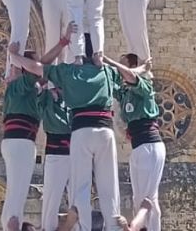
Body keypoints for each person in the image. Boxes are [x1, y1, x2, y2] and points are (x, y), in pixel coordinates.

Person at [10, 43, 149, 231]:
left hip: (80, 135)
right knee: (108, 185)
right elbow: (129, 75)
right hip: (97, 133)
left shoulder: (68, 74)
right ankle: (111, 226)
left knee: (80, 188)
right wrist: (142, 67)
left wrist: (14, 57)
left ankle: (84, 226)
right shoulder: (105, 71)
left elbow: (38, 68)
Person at [111, 53, 165, 231]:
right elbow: (113, 85)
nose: (120, 68)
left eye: (123, 64)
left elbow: (130, 75)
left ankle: (139, 227)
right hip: (139, 146)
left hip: (149, 145)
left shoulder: (144, 86)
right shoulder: (125, 92)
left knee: (147, 199)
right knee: (139, 198)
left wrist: (108, 60)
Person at [1, 54, 43, 231]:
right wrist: (62, 44)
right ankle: (12, 225)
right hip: (21, 143)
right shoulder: (23, 84)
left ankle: (10, 224)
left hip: (13, 142)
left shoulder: (16, 88)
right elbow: (39, 69)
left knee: (14, 193)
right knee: (17, 195)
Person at [39, 79, 73, 231]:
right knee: (51, 198)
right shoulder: (46, 99)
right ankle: (48, 228)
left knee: (78, 197)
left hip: (74, 154)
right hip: (55, 152)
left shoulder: (71, 102)